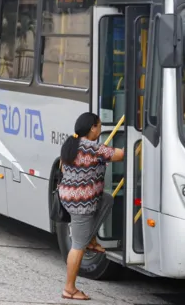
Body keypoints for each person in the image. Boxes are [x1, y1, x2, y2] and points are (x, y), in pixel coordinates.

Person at [59, 112, 125, 301]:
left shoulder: (70, 143)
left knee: (106, 200)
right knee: (77, 246)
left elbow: (64, 168)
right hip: (81, 204)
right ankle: (69, 289)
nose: (100, 129)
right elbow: (119, 155)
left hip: (69, 196)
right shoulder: (93, 149)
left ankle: (90, 239)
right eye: (99, 125)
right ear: (92, 128)